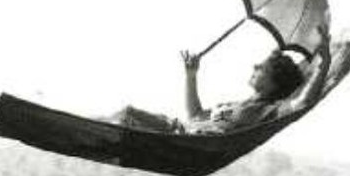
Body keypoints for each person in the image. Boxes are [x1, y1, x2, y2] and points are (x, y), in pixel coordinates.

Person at [104, 23, 331, 134]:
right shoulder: (237, 104)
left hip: (183, 142)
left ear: (273, 82)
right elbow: (195, 115)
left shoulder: (266, 111)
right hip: (176, 129)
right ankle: (81, 128)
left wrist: (325, 64)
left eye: (262, 67)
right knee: (126, 112)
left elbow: (302, 103)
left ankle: (85, 132)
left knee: (123, 122)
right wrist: (191, 76)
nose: (255, 65)